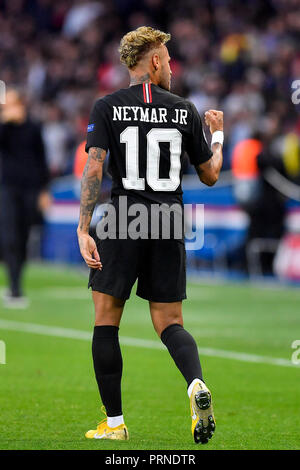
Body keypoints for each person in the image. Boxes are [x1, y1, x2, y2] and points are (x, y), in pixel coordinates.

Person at [77, 26, 223, 444]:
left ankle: (116, 424)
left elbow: (94, 168)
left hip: (124, 218)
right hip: (169, 220)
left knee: (106, 322)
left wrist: (84, 227)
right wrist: (218, 134)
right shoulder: (185, 109)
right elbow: (210, 175)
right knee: (170, 322)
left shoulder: (107, 106)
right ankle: (195, 384)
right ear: (155, 61)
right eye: (169, 60)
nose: (173, 68)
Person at [0, 88, 50, 308]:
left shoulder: (34, 127)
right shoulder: (4, 129)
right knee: (10, 237)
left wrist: (44, 191)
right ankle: (14, 287)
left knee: (23, 237)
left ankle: (16, 283)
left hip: (30, 190)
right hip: (7, 189)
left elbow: (42, 160)